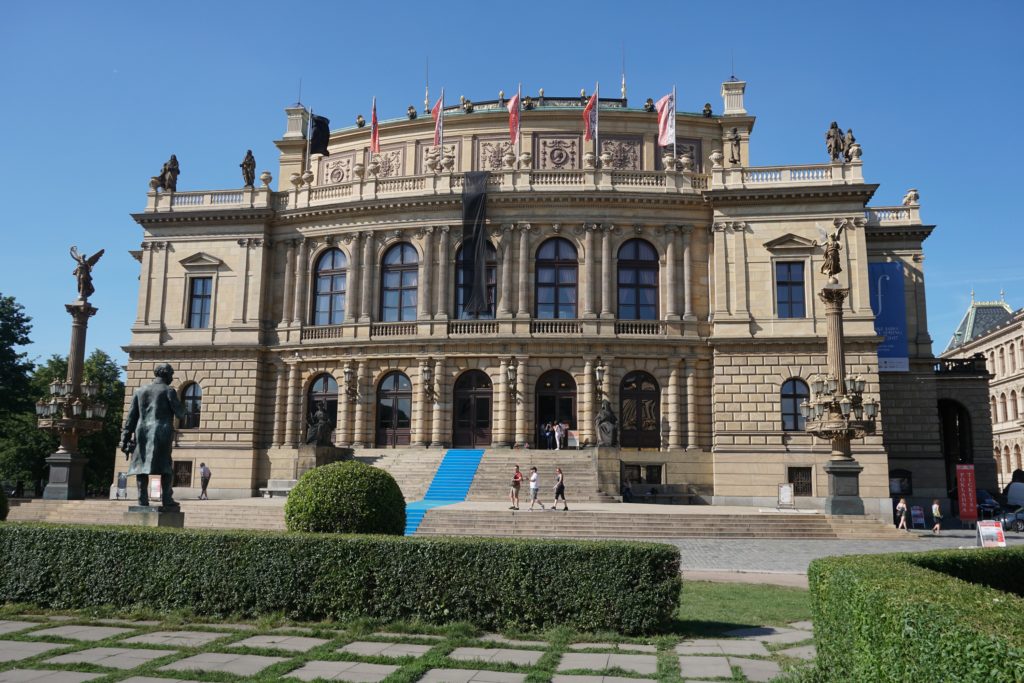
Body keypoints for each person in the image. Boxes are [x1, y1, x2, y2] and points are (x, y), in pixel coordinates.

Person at [120, 363, 186, 508]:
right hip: (161, 432)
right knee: (166, 467)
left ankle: (142, 499)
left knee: (141, 466)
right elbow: (180, 413)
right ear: (167, 374)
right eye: (171, 374)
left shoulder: (140, 391)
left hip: (142, 432)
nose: (172, 377)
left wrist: (124, 439)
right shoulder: (169, 391)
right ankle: (167, 499)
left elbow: (131, 418)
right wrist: (184, 406)